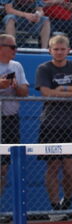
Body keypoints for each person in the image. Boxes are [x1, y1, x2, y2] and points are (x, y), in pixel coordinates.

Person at [35, 35, 72, 219]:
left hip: (71, 124)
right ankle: (54, 207)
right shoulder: (44, 68)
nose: (59, 52)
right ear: (50, 50)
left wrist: (64, 90)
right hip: (50, 124)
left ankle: (66, 202)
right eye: (55, 49)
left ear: (68, 50)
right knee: (53, 166)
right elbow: (47, 93)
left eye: (62, 49)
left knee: (69, 167)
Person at [0, 33, 28, 199]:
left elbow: (24, 92)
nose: (15, 50)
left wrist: (16, 86)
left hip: (10, 119)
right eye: (12, 47)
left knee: (4, 168)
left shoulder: (16, 66)